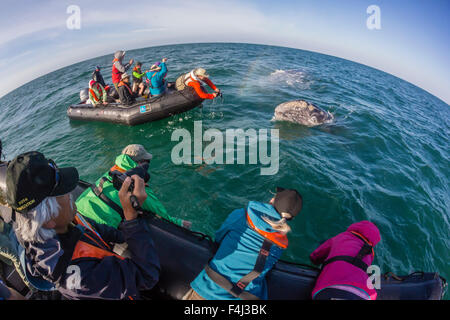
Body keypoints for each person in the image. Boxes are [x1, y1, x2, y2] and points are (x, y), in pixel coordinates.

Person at [5, 151, 160, 300]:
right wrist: (131, 219)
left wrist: (129, 234)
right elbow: (146, 276)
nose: (71, 193)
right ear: (48, 219)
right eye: (63, 193)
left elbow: (98, 230)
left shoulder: (64, 222)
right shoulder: (76, 275)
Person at [184, 187, 303, 300]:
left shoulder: (241, 215)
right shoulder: (281, 245)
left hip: (208, 289)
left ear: (273, 200)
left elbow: (219, 237)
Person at [76, 144, 191, 229]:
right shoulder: (136, 183)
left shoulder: (113, 171)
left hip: (77, 212)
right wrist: (180, 223)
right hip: (97, 225)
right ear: (141, 164)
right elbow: (159, 212)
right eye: (147, 162)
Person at [309, 221, 381, 300]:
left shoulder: (342, 237)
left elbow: (316, 255)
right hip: (365, 294)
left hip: (333, 287)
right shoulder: (370, 253)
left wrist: (314, 260)